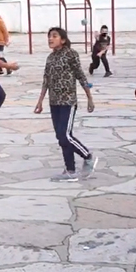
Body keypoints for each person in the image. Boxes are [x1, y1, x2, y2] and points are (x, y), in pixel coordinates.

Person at [35, 27, 99, 182]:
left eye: (54, 36)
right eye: (49, 36)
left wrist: (89, 98)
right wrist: (40, 101)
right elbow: (46, 80)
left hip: (68, 101)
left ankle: (88, 156)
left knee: (65, 135)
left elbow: (81, 76)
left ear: (62, 40)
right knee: (61, 137)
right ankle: (70, 170)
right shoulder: (50, 58)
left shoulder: (71, 54)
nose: (50, 39)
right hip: (54, 102)